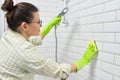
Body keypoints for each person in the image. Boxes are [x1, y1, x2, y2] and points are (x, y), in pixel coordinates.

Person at [0, 0, 98, 80]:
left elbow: (34, 40)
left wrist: (51, 24)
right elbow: (60, 71)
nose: (41, 25)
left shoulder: (8, 35)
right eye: (39, 22)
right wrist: (84, 60)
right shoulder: (25, 52)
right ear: (25, 26)